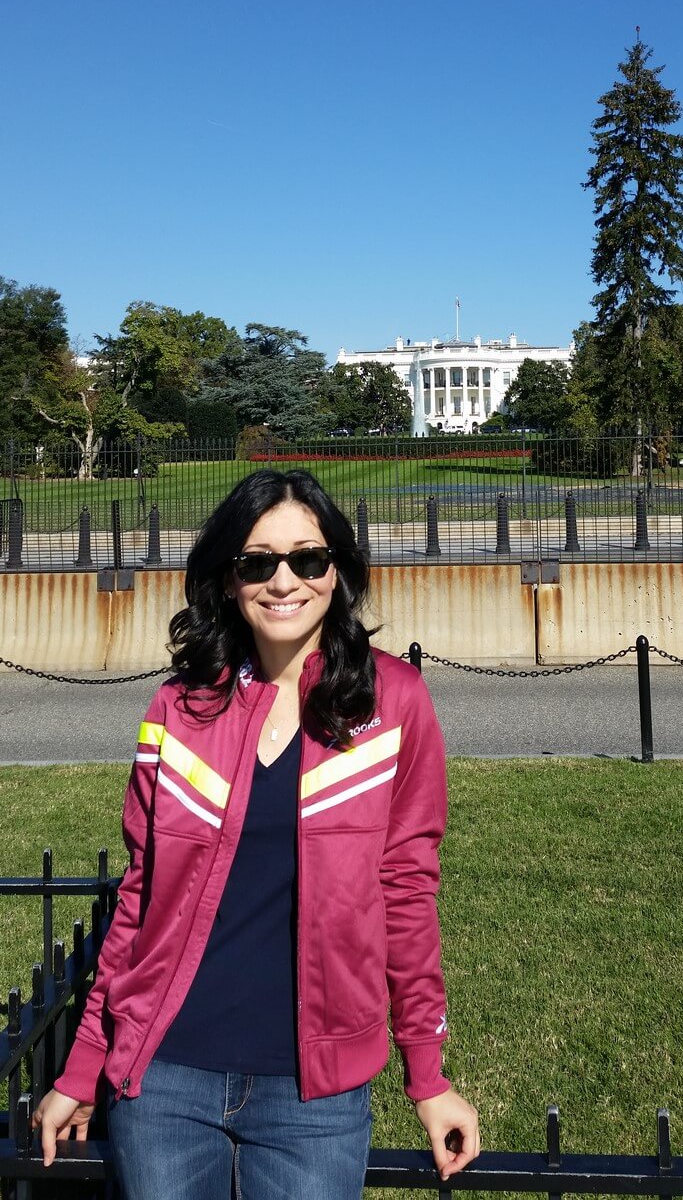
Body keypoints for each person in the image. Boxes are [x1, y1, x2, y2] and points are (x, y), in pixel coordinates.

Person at [34, 469, 479, 1198]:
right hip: (167, 1077)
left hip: (315, 1093)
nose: (283, 581)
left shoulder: (393, 702)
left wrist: (426, 1076)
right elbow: (143, 898)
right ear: (229, 579)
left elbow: (405, 892)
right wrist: (85, 1067)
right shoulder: (179, 707)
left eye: (308, 559)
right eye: (256, 562)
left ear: (336, 571)